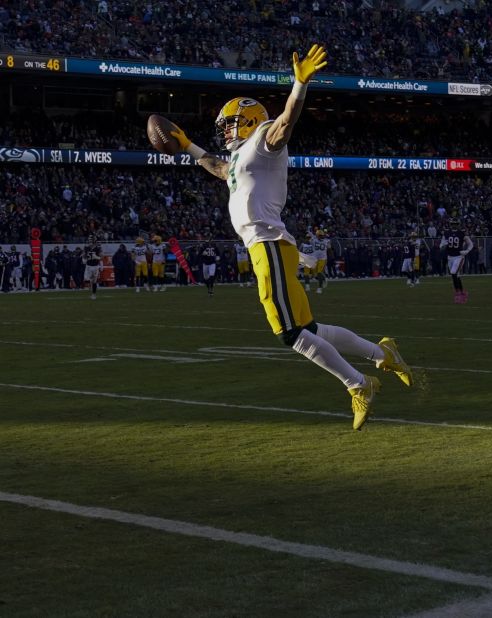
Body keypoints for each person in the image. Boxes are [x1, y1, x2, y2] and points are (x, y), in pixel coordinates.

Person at [169, 44, 411, 429]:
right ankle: (382, 352)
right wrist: (187, 147)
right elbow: (220, 168)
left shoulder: (264, 137)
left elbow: (285, 122)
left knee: (289, 333)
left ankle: (360, 384)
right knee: (312, 330)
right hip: (269, 245)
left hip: (268, 245)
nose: (224, 129)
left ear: (248, 120)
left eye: (230, 122)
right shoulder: (241, 156)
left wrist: (299, 85)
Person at [441, 218, 473, 303]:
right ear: (450, 224)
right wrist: (443, 246)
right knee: (456, 275)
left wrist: (466, 251)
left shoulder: (462, 233)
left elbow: (470, 244)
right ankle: (463, 293)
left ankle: (458, 293)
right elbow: (442, 244)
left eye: (456, 224)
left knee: (453, 272)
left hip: (459, 256)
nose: (454, 225)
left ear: (458, 224)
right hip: (450, 257)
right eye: (453, 224)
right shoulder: (446, 233)